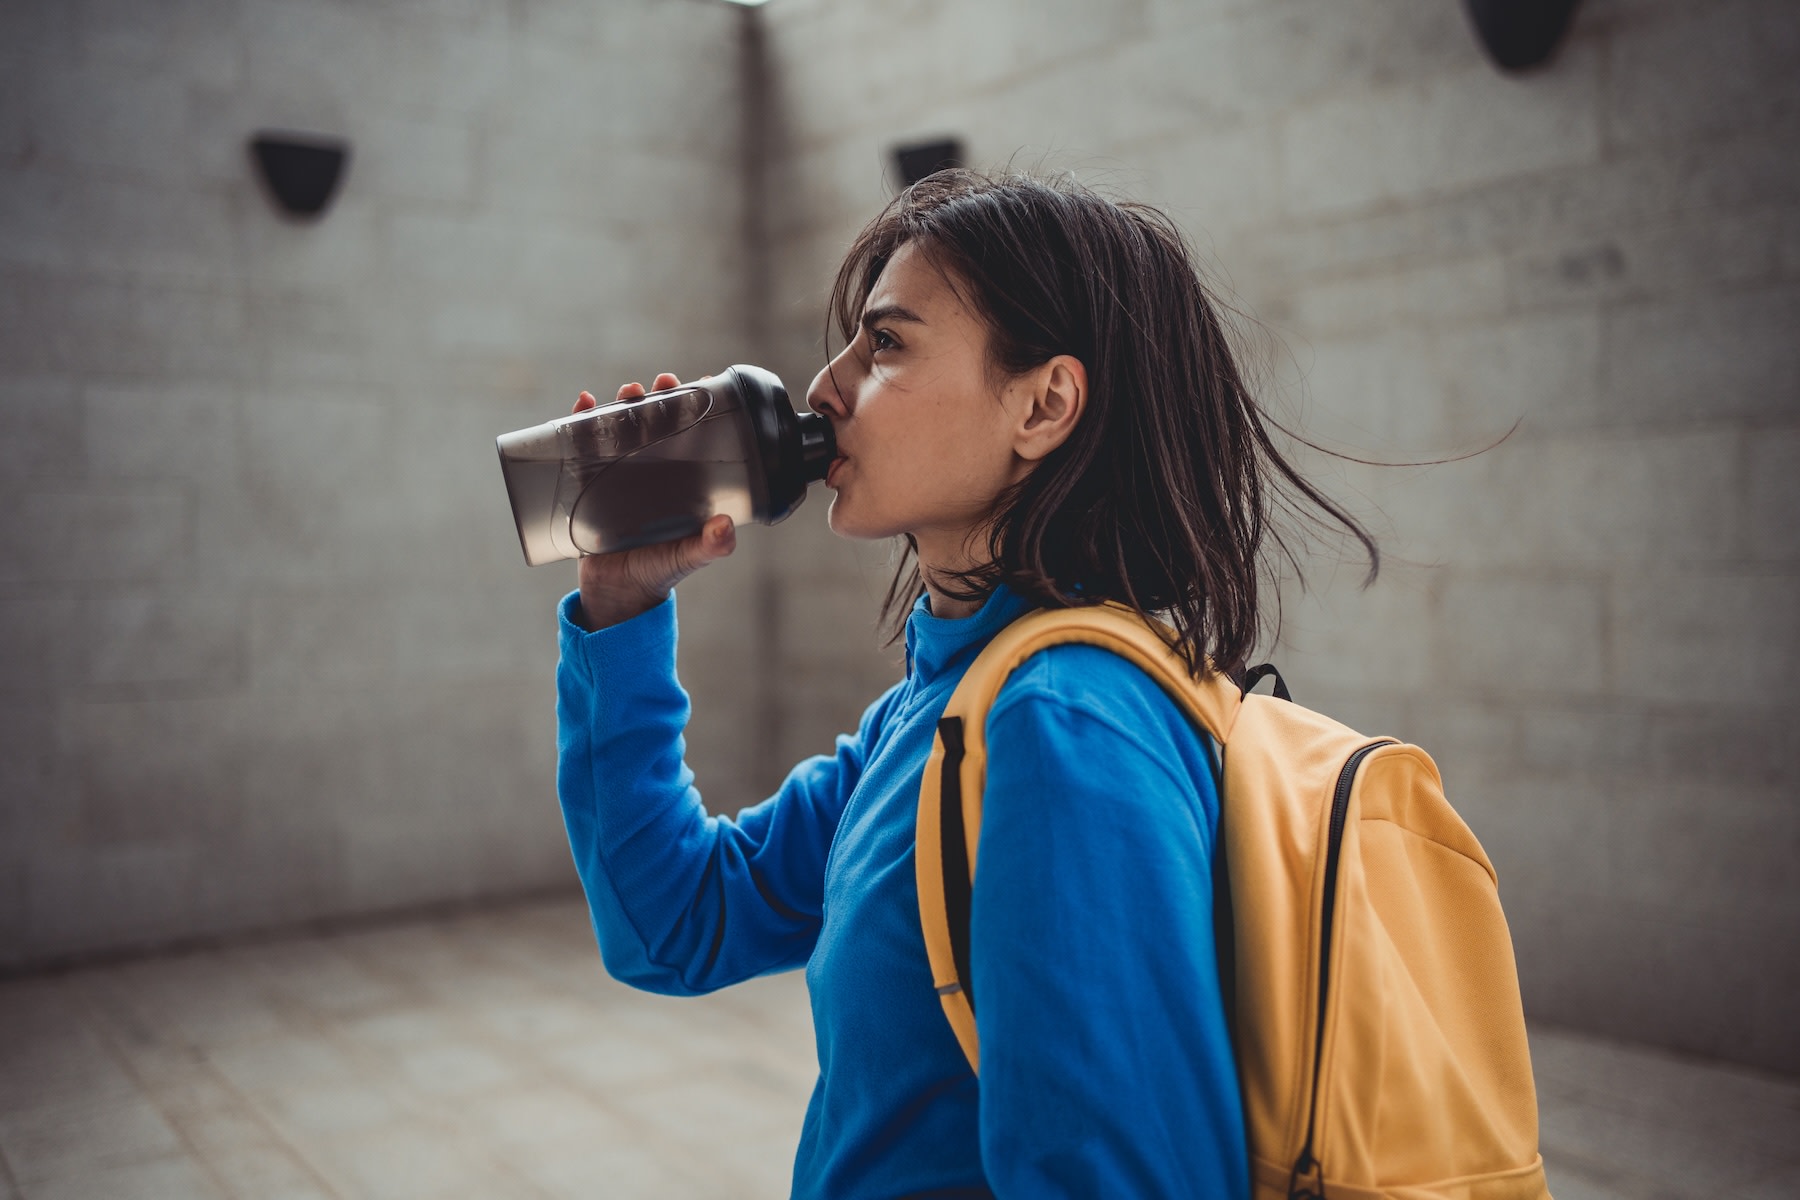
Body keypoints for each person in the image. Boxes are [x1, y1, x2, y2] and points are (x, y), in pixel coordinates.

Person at [553, 170, 1373, 1198]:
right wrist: (623, 613)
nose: (824, 387)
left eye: (887, 344)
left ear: (1044, 404)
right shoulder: (939, 712)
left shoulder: (1061, 723)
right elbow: (675, 924)